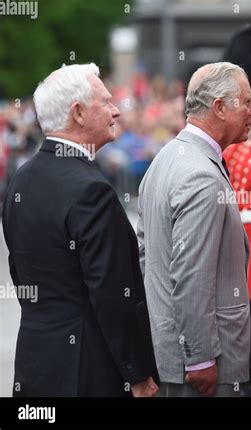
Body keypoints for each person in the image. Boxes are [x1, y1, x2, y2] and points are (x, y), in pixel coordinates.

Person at [2, 63, 159, 397]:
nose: (116, 110)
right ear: (79, 113)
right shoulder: (91, 190)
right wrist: (138, 372)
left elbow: (22, 273)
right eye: (105, 102)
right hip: (87, 369)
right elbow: (113, 294)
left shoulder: (21, 180)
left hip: (35, 362)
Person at [138, 62, 251, 397]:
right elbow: (191, 274)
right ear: (219, 107)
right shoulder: (200, 176)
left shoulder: (168, 158)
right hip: (203, 365)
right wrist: (199, 358)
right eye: (246, 102)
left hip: (170, 349)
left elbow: (148, 257)